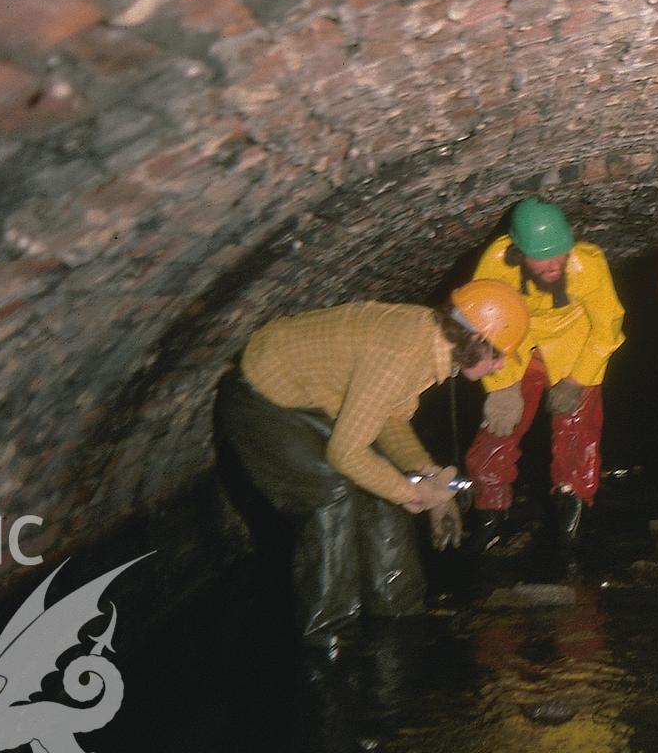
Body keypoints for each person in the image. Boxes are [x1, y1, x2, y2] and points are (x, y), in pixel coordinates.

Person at [217, 281, 529, 646]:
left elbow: (390, 420)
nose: (501, 365)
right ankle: (329, 641)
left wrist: (429, 479)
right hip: (263, 396)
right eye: (498, 353)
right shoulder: (400, 353)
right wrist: (410, 493)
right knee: (331, 496)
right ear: (474, 339)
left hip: (318, 396)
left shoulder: (430, 345)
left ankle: (399, 617)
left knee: (384, 487)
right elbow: (345, 454)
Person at [464, 198, 625, 548]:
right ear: (518, 252)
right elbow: (480, 328)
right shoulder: (495, 264)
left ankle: (572, 536)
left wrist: (577, 379)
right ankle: (488, 531)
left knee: (577, 435)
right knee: (499, 430)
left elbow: (607, 329)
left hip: (574, 342)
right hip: (516, 343)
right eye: (543, 256)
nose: (555, 264)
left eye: (560, 254)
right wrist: (501, 387)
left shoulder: (588, 265)